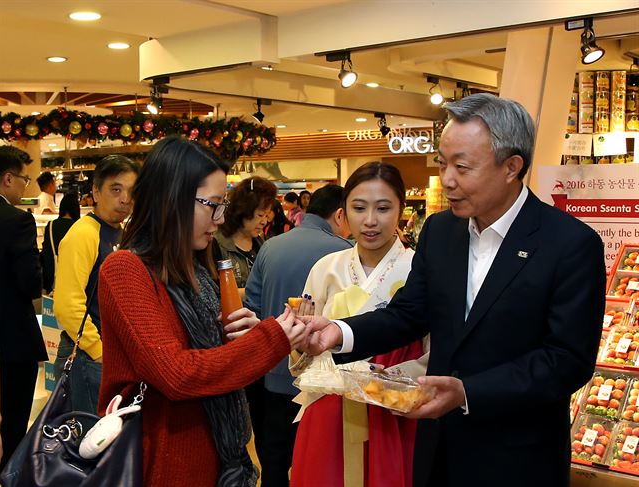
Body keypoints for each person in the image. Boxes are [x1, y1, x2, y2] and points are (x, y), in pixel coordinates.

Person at [300, 94, 606, 487]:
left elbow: (567, 360)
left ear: (512, 167)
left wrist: (468, 393)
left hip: (519, 457)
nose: (446, 180)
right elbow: (409, 313)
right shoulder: (442, 231)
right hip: (439, 450)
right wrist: (339, 332)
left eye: (462, 167)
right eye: (443, 164)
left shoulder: (568, 244)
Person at [97, 136, 308, 486]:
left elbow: (208, 357)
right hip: (162, 462)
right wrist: (269, 339)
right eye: (212, 205)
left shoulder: (193, 266)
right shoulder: (125, 269)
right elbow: (176, 374)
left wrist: (243, 335)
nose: (220, 218)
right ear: (172, 200)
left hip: (217, 455)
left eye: (222, 204)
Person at [291, 163, 425, 487]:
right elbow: (300, 364)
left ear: (401, 210)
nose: (370, 221)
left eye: (383, 208)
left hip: (393, 413)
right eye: (359, 207)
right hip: (329, 411)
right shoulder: (326, 269)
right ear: (343, 213)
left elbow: (434, 353)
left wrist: (391, 382)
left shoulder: (418, 268)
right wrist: (298, 344)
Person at [244, 184, 352, 486]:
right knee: (319, 467)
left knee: (274, 464)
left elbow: (250, 304)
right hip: (323, 384)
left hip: (273, 375)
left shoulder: (270, 246)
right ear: (340, 214)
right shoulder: (344, 253)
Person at [53, 155, 139, 413]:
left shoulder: (120, 232)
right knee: (86, 443)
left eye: (131, 191)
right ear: (96, 192)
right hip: (87, 357)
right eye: (116, 189)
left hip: (107, 355)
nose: (125, 199)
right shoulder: (83, 234)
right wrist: (100, 352)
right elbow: (68, 305)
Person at [212, 175, 277, 466]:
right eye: (260, 214)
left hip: (258, 345)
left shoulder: (263, 246)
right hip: (227, 346)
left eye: (268, 213)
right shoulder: (217, 245)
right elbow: (213, 293)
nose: (265, 220)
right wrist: (251, 290)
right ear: (243, 211)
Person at [0, 146, 47, 470]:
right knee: (13, 422)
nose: (25, 187)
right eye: (23, 179)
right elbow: (30, 282)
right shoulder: (17, 220)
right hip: (12, 338)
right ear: (6, 179)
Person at [40, 192, 81, 294]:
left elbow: (47, 256)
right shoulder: (80, 227)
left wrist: (47, 285)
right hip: (75, 283)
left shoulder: (51, 226)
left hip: (54, 281)